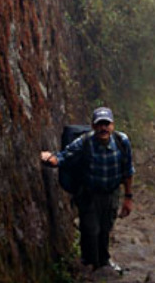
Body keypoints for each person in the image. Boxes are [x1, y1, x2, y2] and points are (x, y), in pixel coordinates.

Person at [40, 106, 135, 271]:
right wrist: (52, 159)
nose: (103, 128)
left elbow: (128, 171)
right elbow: (65, 155)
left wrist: (128, 198)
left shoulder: (122, 141)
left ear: (112, 125)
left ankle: (103, 260)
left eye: (106, 124)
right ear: (93, 126)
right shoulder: (85, 141)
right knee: (91, 229)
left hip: (111, 193)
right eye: (99, 124)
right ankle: (91, 262)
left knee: (105, 228)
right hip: (90, 193)